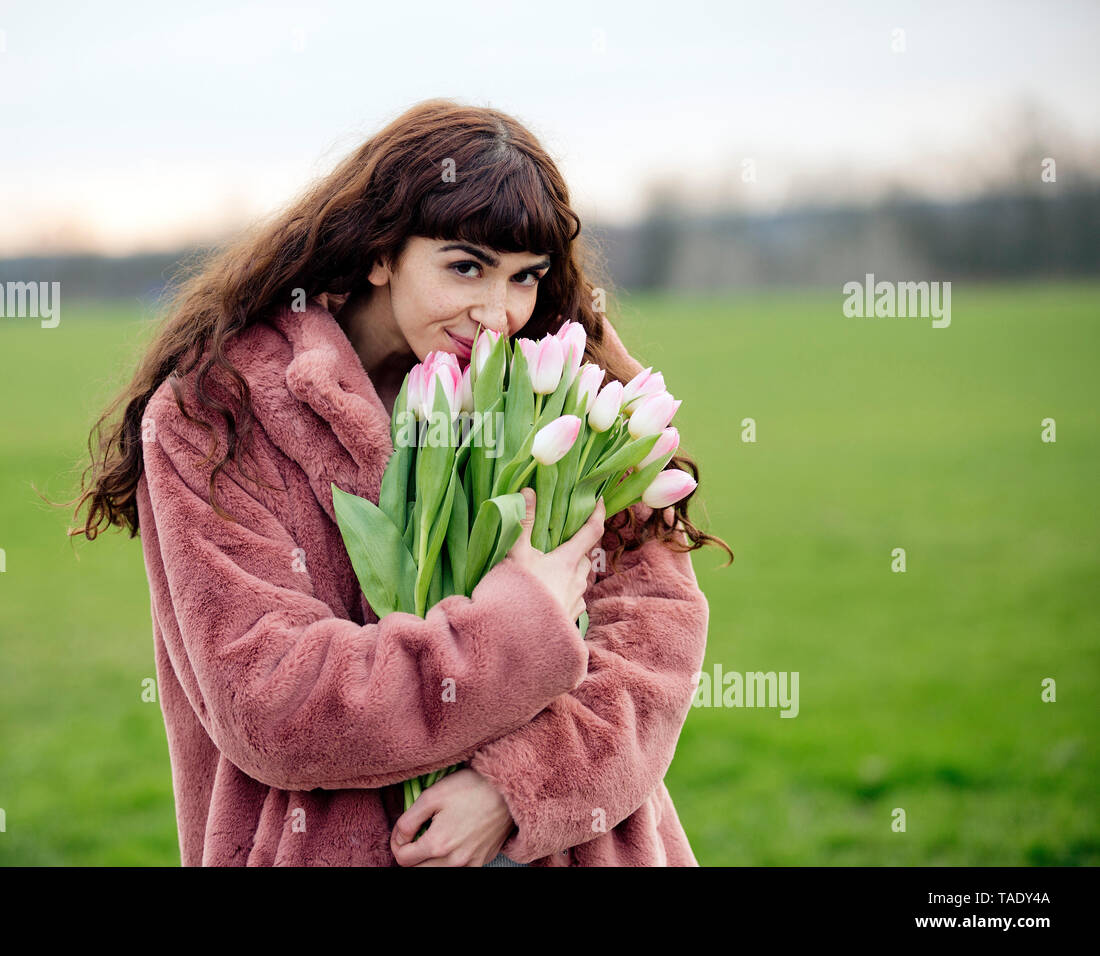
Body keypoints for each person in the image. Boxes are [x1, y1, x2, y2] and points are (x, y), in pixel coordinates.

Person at [69, 98, 731, 866]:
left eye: (525, 277)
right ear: (381, 252)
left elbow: (655, 642)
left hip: (570, 847)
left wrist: (512, 791)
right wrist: (521, 626)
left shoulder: (562, 380)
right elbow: (272, 702)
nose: (498, 312)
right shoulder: (217, 415)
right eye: (465, 266)